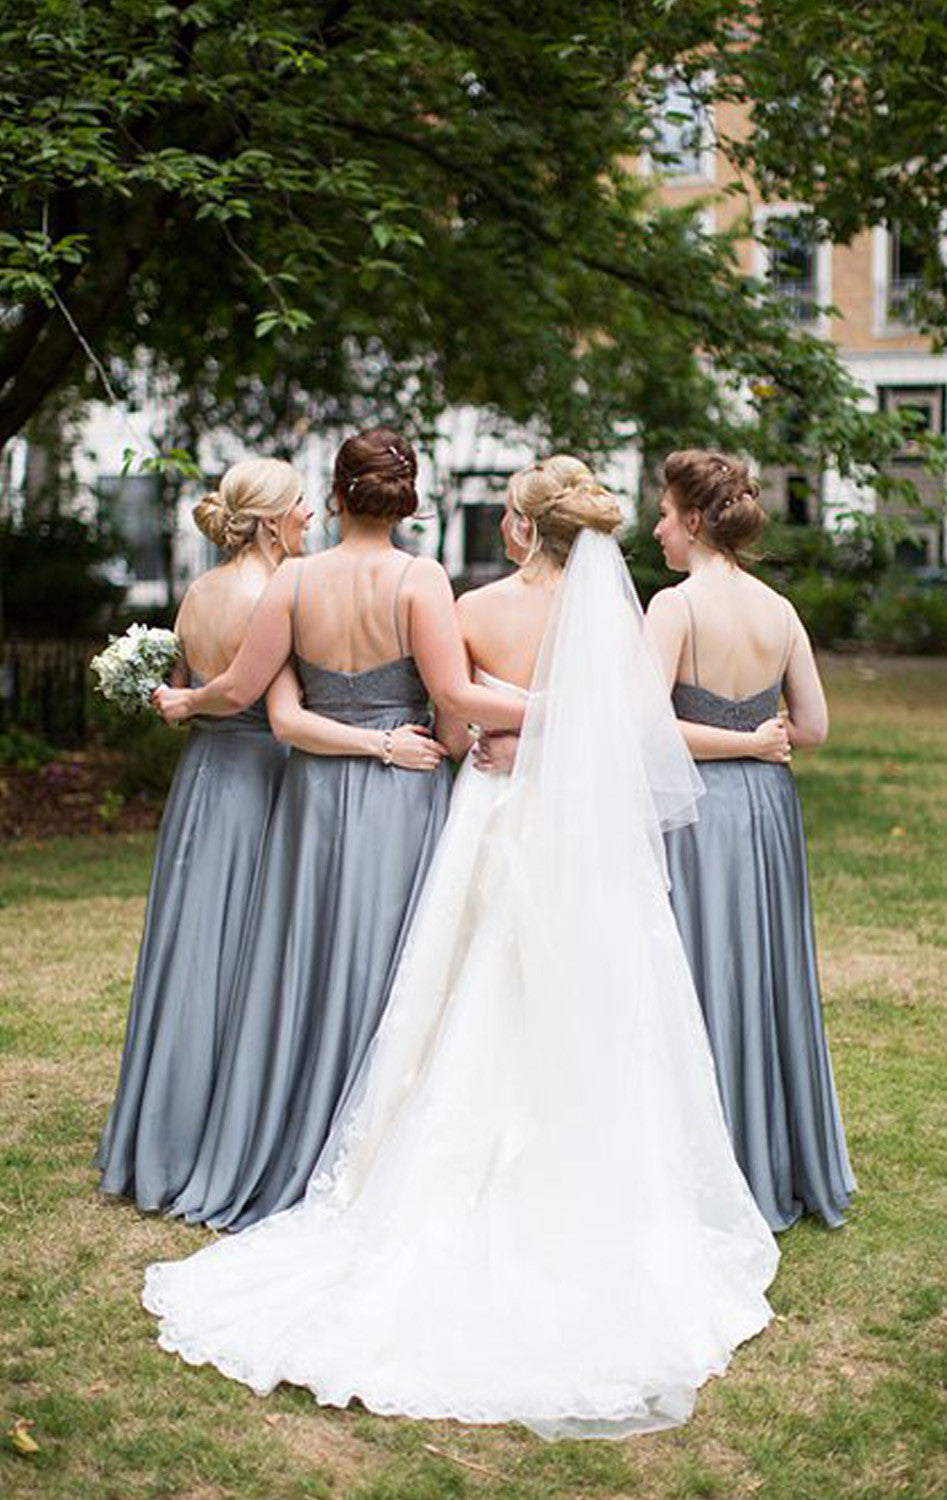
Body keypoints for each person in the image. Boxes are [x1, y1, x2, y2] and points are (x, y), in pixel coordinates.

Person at [143, 457, 778, 1439]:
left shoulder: (474, 606)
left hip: (490, 813)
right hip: (582, 829)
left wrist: (507, 734)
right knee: (596, 995)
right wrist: (561, 736)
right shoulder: (617, 617)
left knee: (465, 993)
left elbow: (449, 719)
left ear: (518, 529)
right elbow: (636, 724)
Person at [152, 427, 526, 1230]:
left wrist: (184, 701)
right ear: (407, 500)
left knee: (303, 959)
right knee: (397, 963)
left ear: (334, 496)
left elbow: (268, 708)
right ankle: (374, 1143)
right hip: (403, 790)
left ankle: (283, 1128)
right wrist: (499, 727)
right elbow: (451, 701)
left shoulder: (293, 583)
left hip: (314, 796)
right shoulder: (420, 579)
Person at [646, 448, 855, 1231]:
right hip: (767, 808)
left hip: (699, 806)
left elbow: (642, 726)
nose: (659, 528)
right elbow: (812, 727)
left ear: (695, 521)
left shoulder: (673, 606)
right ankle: (773, 1151)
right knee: (761, 969)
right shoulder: (778, 609)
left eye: (665, 514)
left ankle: (709, 1161)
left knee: (699, 968)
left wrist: (730, 745)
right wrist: (755, 741)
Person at [96, 458, 308, 1209]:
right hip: (259, 776)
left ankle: (164, 1124)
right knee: (242, 951)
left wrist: (184, 706)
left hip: (201, 779)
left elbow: (186, 684)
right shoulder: (274, 590)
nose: (310, 517)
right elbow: (246, 689)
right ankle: (217, 1127)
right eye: (302, 506)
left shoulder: (200, 590)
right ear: (274, 519)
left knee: (195, 942)